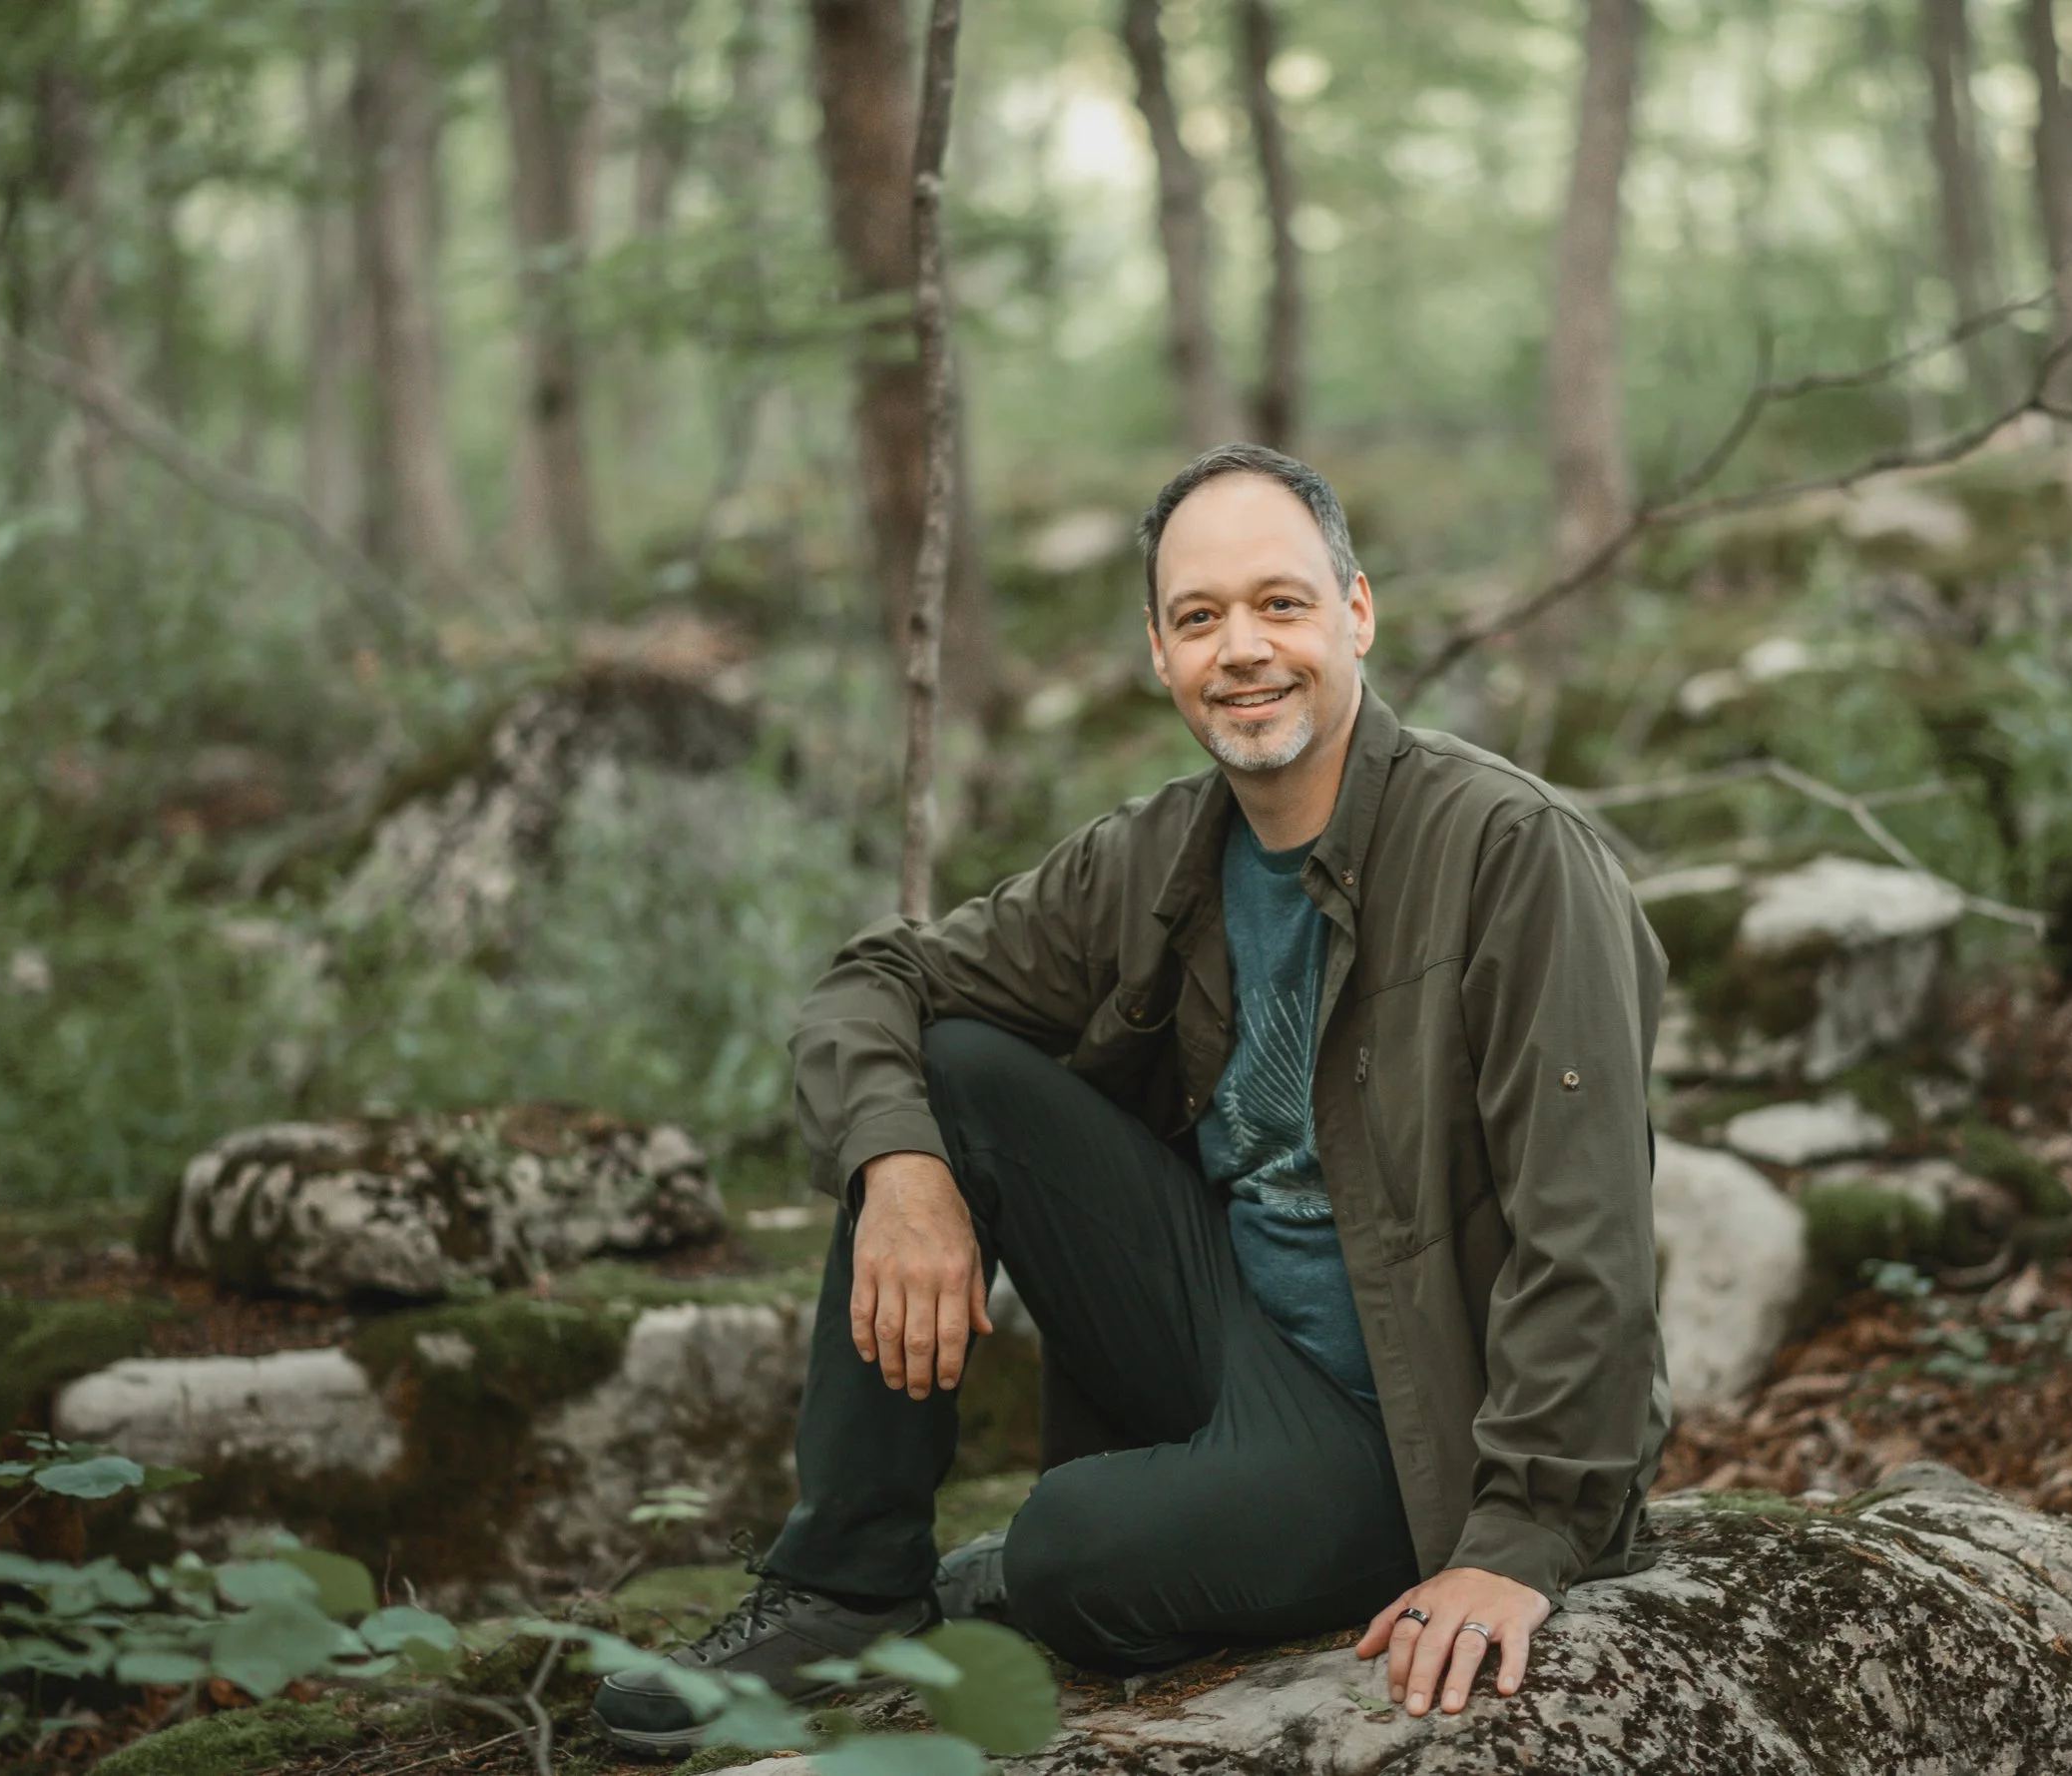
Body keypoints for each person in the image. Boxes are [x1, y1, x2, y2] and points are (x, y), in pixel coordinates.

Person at [593, 444, 1671, 1756]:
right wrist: (902, 1172)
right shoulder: (1161, 853)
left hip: (1410, 1435)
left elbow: (1588, 1231)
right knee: (955, 1075)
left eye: (1281, 603)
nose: (1245, 650)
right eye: (1200, 617)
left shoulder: (1512, 855)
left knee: (1065, 1553)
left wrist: (1523, 1535)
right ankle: (843, 1585)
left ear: (1357, 613)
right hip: (1219, 1337)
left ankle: (1007, 1571)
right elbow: (877, 979)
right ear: (1160, 655)